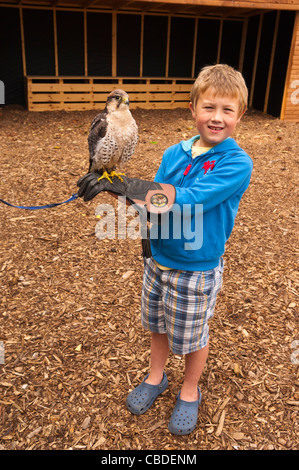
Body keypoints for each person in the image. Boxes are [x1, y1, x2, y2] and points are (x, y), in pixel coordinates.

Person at [77, 64, 253, 436]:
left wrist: (126, 187)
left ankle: (190, 389)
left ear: (240, 115)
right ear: (193, 109)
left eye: (227, 110)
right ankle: (156, 377)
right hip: (158, 259)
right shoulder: (175, 152)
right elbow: (155, 199)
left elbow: (187, 200)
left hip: (196, 267)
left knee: (192, 336)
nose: (216, 118)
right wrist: (118, 189)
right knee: (156, 326)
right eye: (208, 108)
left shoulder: (236, 163)